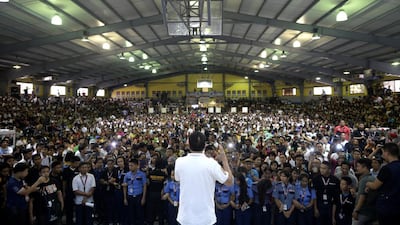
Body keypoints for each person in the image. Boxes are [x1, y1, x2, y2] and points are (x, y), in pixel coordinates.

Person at [174, 131, 233, 225]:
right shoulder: (211, 163)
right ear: (205, 145)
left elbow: (177, 178)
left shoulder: (179, 162)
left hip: (185, 218)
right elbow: (230, 182)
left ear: (188, 144)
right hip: (206, 219)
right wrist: (224, 158)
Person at [366, 143, 400, 225]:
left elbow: (375, 186)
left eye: (383, 152)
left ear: (387, 153)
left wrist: (368, 184)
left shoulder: (387, 169)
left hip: (387, 205)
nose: (382, 154)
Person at [313, 161, 340, 225]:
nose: (321, 170)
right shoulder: (316, 179)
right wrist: (315, 208)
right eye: (321, 168)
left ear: (329, 170)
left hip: (330, 205)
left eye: (324, 168)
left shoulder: (335, 180)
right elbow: (314, 194)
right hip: (319, 204)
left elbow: (336, 197)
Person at [123, 158, 147, 225]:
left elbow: (144, 186)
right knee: (131, 214)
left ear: (137, 165)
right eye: (129, 165)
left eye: (132, 165)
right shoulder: (127, 175)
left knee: (140, 214)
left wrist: (143, 198)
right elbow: (124, 187)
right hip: (130, 196)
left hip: (139, 196)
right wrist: (125, 198)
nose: (130, 167)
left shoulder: (142, 174)